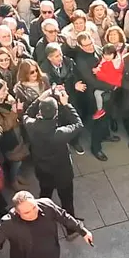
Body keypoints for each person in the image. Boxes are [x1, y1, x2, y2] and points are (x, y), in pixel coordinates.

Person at [22, 87, 83, 231]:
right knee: (66, 200)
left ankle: (40, 218)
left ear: (40, 113)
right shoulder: (60, 133)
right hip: (62, 172)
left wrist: (39, 100)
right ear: (56, 113)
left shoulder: (31, 125)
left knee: (45, 194)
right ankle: (71, 228)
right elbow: (78, 124)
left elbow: (26, 114)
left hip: (43, 170)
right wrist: (67, 105)